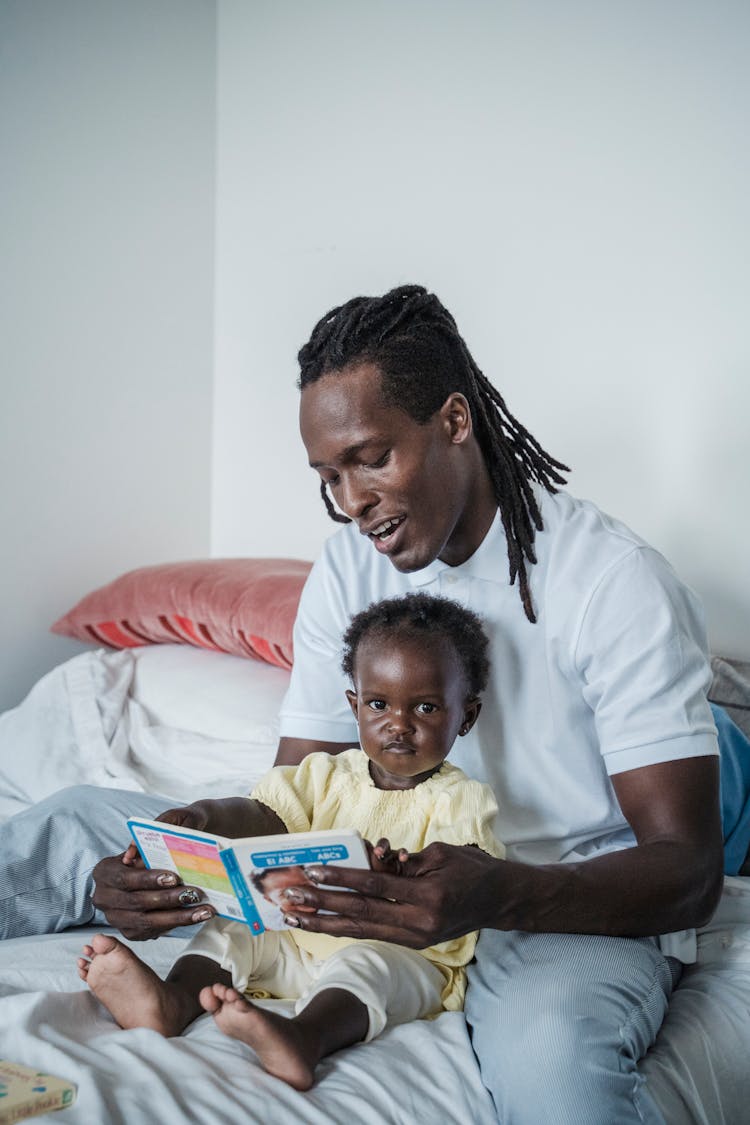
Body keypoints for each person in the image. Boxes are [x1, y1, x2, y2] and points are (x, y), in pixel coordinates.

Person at [1, 284, 749, 1119]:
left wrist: (495, 893)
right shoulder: (349, 569)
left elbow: (688, 871)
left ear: (455, 422)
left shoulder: (612, 584)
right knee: (75, 823)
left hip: (552, 897)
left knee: (553, 1070)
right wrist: (184, 855)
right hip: (367, 857)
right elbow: (298, 798)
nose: (352, 502)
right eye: (329, 475)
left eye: (371, 458)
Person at [75, 593, 503, 1091]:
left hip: (399, 955)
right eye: (378, 704)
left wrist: (402, 876)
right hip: (293, 941)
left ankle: (303, 1037)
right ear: (354, 705)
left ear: (466, 717)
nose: (398, 723)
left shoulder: (461, 799)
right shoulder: (322, 775)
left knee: (373, 965)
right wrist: (203, 816)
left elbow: (469, 879)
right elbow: (261, 814)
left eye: (426, 707)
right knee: (234, 931)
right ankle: (172, 1000)